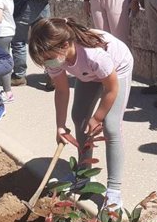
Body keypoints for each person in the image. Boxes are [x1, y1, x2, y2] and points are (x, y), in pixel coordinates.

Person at [29, 17, 134, 209]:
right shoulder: (54, 58)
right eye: (44, 60)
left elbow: (111, 89)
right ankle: (84, 173)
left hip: (117, 70)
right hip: (90, 74)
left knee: (111, 126)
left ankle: (114, 191)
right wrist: (60, 126)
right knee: (79, 116)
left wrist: (98, 117)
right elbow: (61, 91)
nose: (48, 63)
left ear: (65, 45)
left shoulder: (93, 55)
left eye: (48, 57)